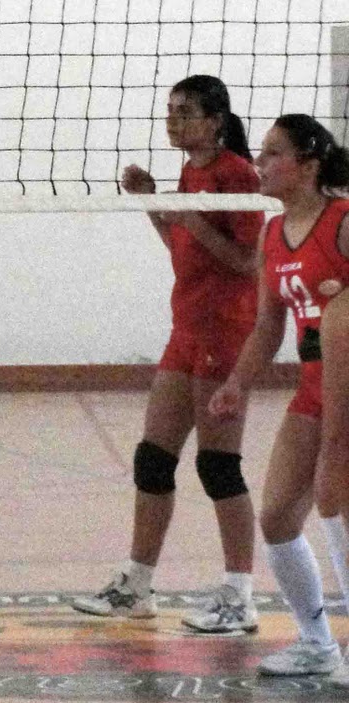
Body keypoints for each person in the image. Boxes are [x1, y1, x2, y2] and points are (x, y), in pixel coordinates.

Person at [72, 75, 263, 631]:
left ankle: (239, 595)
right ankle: (137, 585)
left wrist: (191, 218)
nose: (173, 121)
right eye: (170, 111)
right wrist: (154, 204)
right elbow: (183, 248)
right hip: (187, 329)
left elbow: (247, 262)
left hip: (225, 332)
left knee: (218, 466)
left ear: (215, 120)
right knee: (153, 459)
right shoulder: (191, 172)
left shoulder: (238, 174)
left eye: (185, 112)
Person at [210, 114, 349, 677]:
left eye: (273, 154)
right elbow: (269, 325)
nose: (259, 164)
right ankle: (316, 643)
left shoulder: (342, 221)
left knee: (336, 500)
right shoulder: (273, 234)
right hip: (315, 386)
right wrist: (237, 383)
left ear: (308, 165)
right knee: (277, 517)